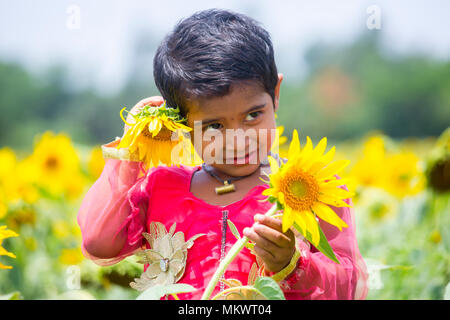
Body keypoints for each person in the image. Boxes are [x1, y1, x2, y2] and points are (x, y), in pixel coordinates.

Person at [77, 8, 368, 300]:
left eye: (253, 115)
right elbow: (98, 243)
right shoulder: (161, 189)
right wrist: (131, 152)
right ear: (180, 123)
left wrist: (292, 264)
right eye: (215, 125)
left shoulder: (311, 192)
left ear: (275, 94)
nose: (238, 140)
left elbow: (349, 287)